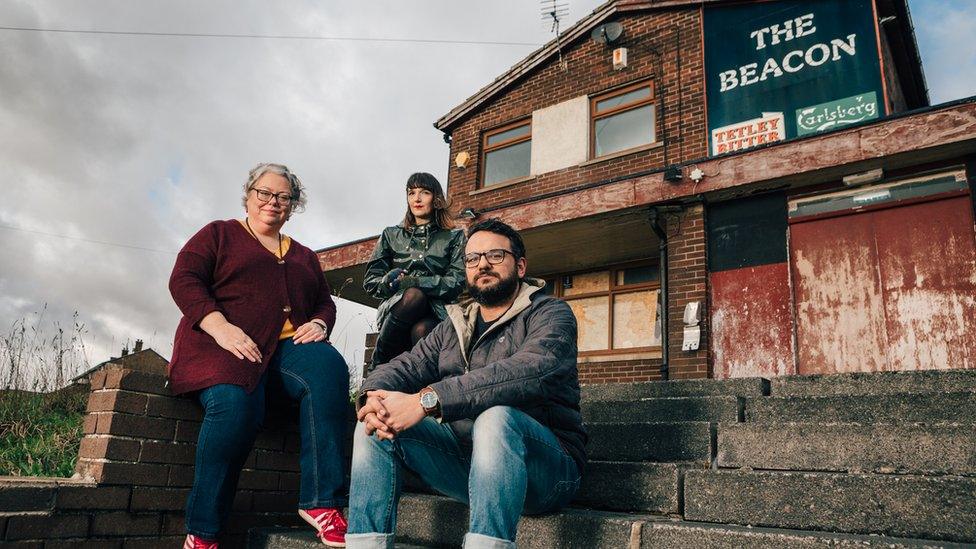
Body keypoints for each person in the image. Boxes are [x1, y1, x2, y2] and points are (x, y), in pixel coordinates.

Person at [347, 218, 586, 549]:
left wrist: (426, 400)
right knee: (375, 423)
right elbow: (406, 365)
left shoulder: (550, 313)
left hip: (547, 473)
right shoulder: (453, 325)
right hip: (470, 464)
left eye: (495, 255)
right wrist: (371, 399)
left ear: (520, 266)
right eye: (472, 258)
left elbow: (531, 369)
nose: (482, 264)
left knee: (496, 418)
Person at [168, 163, 349, 548]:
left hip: (285, 351)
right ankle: (202, 533)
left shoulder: (303, 255)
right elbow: (183, 278)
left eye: (283, 197)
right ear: (249, 195)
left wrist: (319, 323)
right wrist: (219, 326)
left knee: (329, 366)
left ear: (292, 205)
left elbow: (324, 302)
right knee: (235, 407)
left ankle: (321, 503)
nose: (273, 202)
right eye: (265, 193)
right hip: (221, 346)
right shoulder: (219, 233)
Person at [362, 172, 465, 372]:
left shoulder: (454, 236)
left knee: (423, 328)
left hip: (438, 312)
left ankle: (418, 392)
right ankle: (379, 366)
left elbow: (457, 281)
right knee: (413, 297)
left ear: (436, 199)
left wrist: (416, 282)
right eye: (411, 193)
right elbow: (370, 282)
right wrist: (387, 281)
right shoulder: (391, 235)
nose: (416, 199)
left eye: (424, 192)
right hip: (399, 308)